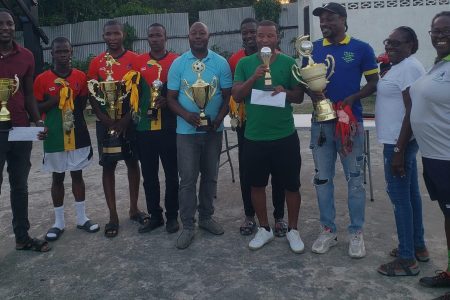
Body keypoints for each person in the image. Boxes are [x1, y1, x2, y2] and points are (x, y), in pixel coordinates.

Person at [309, 2, 378, 258]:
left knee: (355, 180)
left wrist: (353, 98)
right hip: (321, 124)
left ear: (343, 20)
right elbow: (305, 82)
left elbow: (373, 82)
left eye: (329, 18)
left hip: (350, 124)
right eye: (321, 19)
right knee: (323, 179)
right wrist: (313, 93)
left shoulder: (361, 48)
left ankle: (356, 233)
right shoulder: (313, 49)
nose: (324, 23)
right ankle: (328, 230)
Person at [232, 20, 305, 252]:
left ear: (277, 37)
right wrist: (253, 78)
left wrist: (285, 92)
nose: (264, 40)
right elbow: (237, 95)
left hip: (284, 135)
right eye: (260, 36)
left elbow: (299, 97)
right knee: (256, 185)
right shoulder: (244, 64)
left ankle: (293, 230)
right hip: (254, 136)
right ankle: (264, 229)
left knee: (291, 186)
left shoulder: (288, 62)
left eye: (269, 36)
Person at [167, 22, 232, 249]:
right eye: (194, 33)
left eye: (201, 33)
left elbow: (227, 96)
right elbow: (171, 97)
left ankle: (205, 218)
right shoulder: (178, 63)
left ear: (208, 35)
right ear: (188, 36)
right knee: (187, 180)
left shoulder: (220, 63)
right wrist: (186, 115)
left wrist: (219, 118)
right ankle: (188, 225)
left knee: (211, 176)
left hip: (213, 131)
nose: (197, 36)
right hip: (186, 133)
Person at [34, 37, 99, 242]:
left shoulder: (80, 76)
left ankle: (82, 218)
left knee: (78, 175)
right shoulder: (42, 79)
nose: (63, 55)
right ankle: (59, 223)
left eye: (66, 51)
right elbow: (36, 108)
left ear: (72, 53)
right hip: (54, 136)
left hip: (77, 134)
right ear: (51, 54)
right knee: (57, 178)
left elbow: (80, 106)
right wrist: (55, 100)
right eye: (59, 51)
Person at [374, 27, 428, 276]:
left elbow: (412, 110)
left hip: (399, 143)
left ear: (411, 45)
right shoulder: (401, 65)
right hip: (401, 141)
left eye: (397, 43)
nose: (390, 47)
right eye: (388, 42)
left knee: (400, 199)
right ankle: (417, 246)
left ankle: (407, 259)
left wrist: (398, 149)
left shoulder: (409, 67)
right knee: (411, 195)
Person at [87, 19, 147, 238]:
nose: (112, 38)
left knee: (133, 162)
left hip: (129, 122)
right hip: (106, 123)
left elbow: (140, 92)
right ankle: (112, 215)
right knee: (108, 166)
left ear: (123, 35)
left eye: (116, 33)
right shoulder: (96, 63)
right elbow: (92, 95)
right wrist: (105, 119)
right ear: (103, 36)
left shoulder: (135, 60)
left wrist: (126, 119)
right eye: (108, 34)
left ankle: (134, 208)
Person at [229, 18, 287, 237]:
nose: (250, 36)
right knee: (248, 171)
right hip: (247, 123)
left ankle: (279, 216)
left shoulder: (279, 56)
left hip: (274, 123)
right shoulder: (236, 60)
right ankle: (249, 215)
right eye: (245, 33)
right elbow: (233, 91)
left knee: (278, 171)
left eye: (253, 32)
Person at [0, 8, 49, 252]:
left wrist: (37, 120)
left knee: (20, 185)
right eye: (2, 24)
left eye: (9, 24)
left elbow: (29, 94)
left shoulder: (27, 56)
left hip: (19, 129)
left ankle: (22, 237)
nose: (6, 28)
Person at [409, 11, 450, 297]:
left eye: (446, 29)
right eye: (435, 30)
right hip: (435, 156)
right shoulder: (440, 65)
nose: (439, 34)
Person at [132, 23, 180, 234]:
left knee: (171, 175)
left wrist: (167, 101)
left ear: (165, 37)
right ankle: (155, 216)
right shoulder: (138, 62)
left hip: (170, 127)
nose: (155, 39)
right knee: (149, 176)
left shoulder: (176, 61)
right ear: (147, 39)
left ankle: (172, 216)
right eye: (151, 36)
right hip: (145, 128)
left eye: (158, 35)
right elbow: (132, 93)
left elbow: (183, 92)